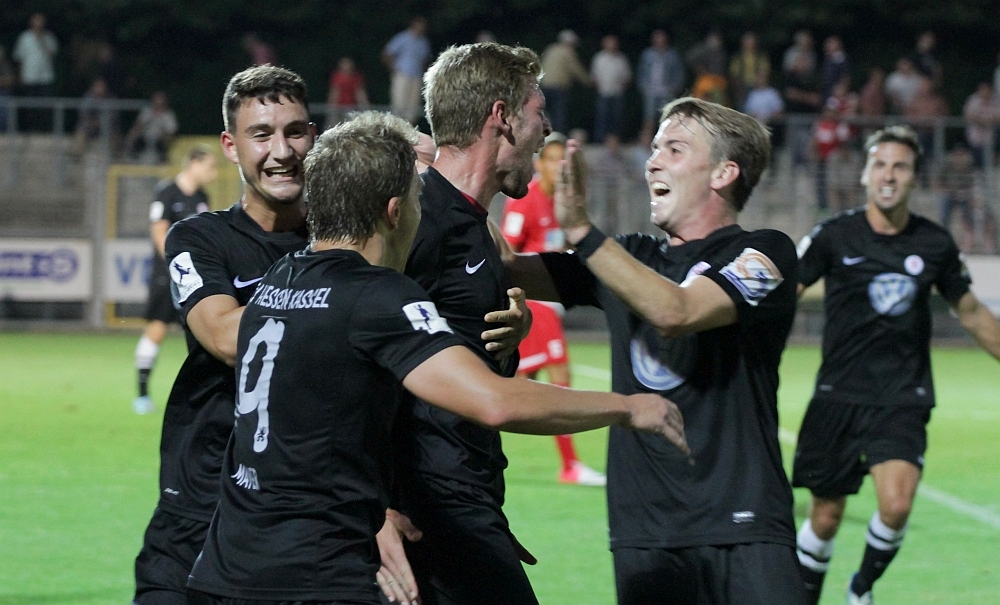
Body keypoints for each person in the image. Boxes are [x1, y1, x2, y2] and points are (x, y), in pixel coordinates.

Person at [186, 110, 687, 605]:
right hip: (317, 573)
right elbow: (493, 401)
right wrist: (628, 407)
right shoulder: (377, 296)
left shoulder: (280, 278)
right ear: (394, 211)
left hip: (227, 567)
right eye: (417, 199)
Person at [505, 97, 806, 604]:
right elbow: (506, 266)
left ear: (724, 172)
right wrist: (453, 180)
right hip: (645, 534)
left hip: (745, 526)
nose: (652, 162)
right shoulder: (628, 257)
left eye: (674, 149)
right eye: (654, 149)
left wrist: (583, 233)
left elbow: (677, 312)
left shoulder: (766, 252)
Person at [131, 65, 317, 605]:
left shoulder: (344, 242)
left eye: (295, 132)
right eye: (261, 134)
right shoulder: (200, 239)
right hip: (201, 500)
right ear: (231, 146)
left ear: (314, 137)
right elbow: (226, 339)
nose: (281, 151)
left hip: (304, 511)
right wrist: (340, 303)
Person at [792, 125, 1000, 605]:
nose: (889, 175)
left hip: (902, 396)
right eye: (880, 165)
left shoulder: (934, 243)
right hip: (838, 393)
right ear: (865, 175)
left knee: (897, 505)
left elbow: (971, 312)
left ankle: (861, 587)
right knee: (825, 516)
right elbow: (786, 295)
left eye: (900, 167)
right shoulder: (833, 235)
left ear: (914, 178)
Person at [387, 41, 556, 605]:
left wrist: (506, 342)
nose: (547, 128)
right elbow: (338, 358)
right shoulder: (416, 219)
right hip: (421, 517)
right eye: (538, 112)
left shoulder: (471, 225)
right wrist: (372, 508)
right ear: (501, 117)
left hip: (463, 509)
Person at [500, 133, 608, 486]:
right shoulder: (525, 201)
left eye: (564, 160)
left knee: (517, 386)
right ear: (538, 163)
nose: (559, 167)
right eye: (552, 159)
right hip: (536, 305)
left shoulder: (559, 202)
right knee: (560, 376)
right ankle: (571, 465)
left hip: (552, 303)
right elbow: (507, 254)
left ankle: (470, 433)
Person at [131, 144, 218, 415]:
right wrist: (174, 265)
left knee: (202, 333)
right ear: (194, 163)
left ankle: (206, 397)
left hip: (195, 276)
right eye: (209, 166)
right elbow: (159, 231)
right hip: (168, 275)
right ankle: (142, 393)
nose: (213, 173)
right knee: (158, 329)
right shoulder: (166, 192)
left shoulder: (202, 197)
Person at [637, 29, 685, 147]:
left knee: (667, 118)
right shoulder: (647, 54)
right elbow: (641, 71)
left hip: (667, 92)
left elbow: (679, 72)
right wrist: (643, 87)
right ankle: (646, 143)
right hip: (651, 91)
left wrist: (675, 87)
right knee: (649, 119)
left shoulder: (672, 55)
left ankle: (666, 142)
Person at [540, 29, 592, 134]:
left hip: (544, 85)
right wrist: (588, 81)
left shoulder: (551, 49)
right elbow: (576, 69)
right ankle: (558, 136)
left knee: (544, 113)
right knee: (559, 114)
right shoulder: (568, 52)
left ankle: (543, 135)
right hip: (559, 87)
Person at [382, 16, 432, 124]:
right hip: (402, 74)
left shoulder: (423, 41)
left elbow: (425, 59)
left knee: (413, 106)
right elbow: (387, 53)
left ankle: (410, 127)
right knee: (399, 103)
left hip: (416, 76)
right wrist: (394, 69)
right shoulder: (403, 38)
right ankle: (396, 127)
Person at [590, 34, 632, 144]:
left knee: (617, 118)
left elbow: (627, 76)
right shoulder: (599, 58)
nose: (612, 45)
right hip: (603, 92)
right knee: (602, 118)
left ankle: (615, 141)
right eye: (609, 43)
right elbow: (594, 76)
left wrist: (622, 86)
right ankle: (600, 141)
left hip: (617, 93)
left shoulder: (621, 59)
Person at [124, 91, 178, 163]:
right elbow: (138, 125)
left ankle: (162, 158)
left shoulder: (169, 115)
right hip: (144, 138)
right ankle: (133, 158)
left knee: (164, 142)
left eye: (160, 103)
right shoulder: (147, 112)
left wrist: (163, 135)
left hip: (160, 140)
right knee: (134, 138)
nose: (158, 105)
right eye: (156, 102)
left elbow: (171, 132)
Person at [12, 12, 58, 97]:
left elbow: (52, 55)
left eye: (41, 20)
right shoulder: (24, 37)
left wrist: (42, 40)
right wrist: (20, 75)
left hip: (46, 77)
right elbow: (20, 58)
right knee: (30, 101)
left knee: (46, 102)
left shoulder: (49, 37)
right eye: (36, 20)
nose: (38, 23)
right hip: (29, 77)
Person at [728, 32, 770, 110]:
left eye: (751, 42)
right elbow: (734, 74)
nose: (749, 44)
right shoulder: (738, 57)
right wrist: (738, 89)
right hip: (742, 87)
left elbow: (764, 72)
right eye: (747, 42)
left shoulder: (760, 57)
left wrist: (760, 83)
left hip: (757, 87)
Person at [325, 56, 369, 126]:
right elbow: (334, 92)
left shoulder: (356, 77)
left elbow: (359, 93)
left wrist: (365, 106)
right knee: (334, 125)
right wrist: (332, 107)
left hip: (351, 108)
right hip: (338, 108)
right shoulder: (337, 77)